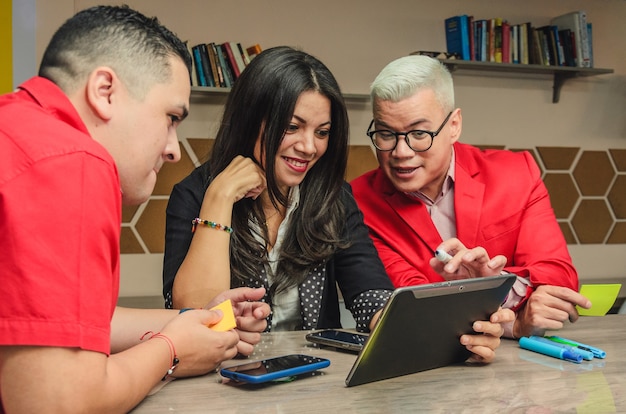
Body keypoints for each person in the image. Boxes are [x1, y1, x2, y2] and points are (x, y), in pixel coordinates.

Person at [162, 46, 513, 363]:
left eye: (322, 132)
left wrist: (455, 331)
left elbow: (370, 296)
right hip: (226, 381)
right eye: (292, 126)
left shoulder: (334, 197)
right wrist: (219, 199)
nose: (308, 147)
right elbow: (194, 317)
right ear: (251, 119)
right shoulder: (194, 195)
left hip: (317, 378)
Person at [0, 6, 269, 413]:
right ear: (105, 90)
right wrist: (172, 350)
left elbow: (71, 327)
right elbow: (58, 403)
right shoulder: (71, 161)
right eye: (171, 117)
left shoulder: (19, 130)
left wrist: (202, 321)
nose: (174, 150)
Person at [350, 55, 591, 339]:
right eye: (386, 134)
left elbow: (557, 273)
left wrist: (493, 281)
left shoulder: (517, 173)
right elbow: (411, 300)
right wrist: (505, 311)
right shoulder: (357, 200)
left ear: (454, 125)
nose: (401, 152)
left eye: (418, 133)